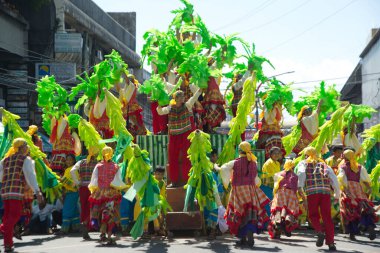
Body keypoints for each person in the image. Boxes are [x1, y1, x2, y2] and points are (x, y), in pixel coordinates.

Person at [220, 141, 270, 248]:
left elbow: (224, 169)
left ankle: (242, 238)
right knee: (250, 213)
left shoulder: (235, 162)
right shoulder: (254, 163)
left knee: (239, 212)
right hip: (250, 190)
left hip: (238, 190)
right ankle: (248, 236)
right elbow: (256, 179)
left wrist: (225, 179)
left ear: (239, 151)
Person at [0, 138, 42, 253]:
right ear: (22, 148)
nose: (27, 148)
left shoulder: (5, 160)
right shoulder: (26, 159)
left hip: (5, 191)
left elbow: (0, 176)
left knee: (7, 216)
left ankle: (7, 238)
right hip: (16, 191)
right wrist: (37, 191)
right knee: (15, 216)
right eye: (25, 146)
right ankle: (7, 242)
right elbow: (31, 176)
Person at [297, 147, 340, 251]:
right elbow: (334, 178)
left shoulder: (303, 163)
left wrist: (300, 186)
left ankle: (319, 231)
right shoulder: (323, 164)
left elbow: (301, 173)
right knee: (327, 217)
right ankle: (331, 243)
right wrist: (337, 194)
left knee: (312, 215)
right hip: (325, 192)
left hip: (312, 192)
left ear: (306, 155)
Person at [157, 88, 202, 186]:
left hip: (185, 134)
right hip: (173, 135)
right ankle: (173, 181)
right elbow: (160, 112)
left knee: (187, 157)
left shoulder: (187, 105)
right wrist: (159, 103)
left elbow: (194, 98)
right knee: (172, 158)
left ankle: (188, 180)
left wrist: (199, 90)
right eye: (180, 96)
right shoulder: (170, 108)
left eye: (183, 96)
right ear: (176, 98)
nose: (183, 98)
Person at [88, 146, 127, 244]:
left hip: (100, 193)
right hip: (111, 194)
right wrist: (120, 188)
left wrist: (94, 190)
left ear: (102, 154)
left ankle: (102, 234)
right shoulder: (116, 166)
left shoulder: (98, 166)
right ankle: (109, 235)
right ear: (112, 154)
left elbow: (94, 180)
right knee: (110, 213)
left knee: (100, 213)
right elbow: (118, 181)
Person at [338, 150, 378, 241]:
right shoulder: (360, 167)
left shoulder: (343, 167)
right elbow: (365, 179)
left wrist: (345, 191)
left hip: (349, 189)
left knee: (350, 210)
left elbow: (342, 180)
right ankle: (368, 226)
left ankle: (352, 233)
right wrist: (369, 188)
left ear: (345, 157)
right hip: (358, 190)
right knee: (363, 207)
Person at [268, 160, 300, 239]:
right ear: (293, 166)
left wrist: (274, 197)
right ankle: (287, 223)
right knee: (289, 210)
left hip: (280, 192)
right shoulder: (295, 176)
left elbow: (275, 187)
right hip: (291, 194)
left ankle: (278, 223)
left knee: (278, 210)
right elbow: (296, 188)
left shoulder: (278, 174)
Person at [71, 155, 98, 239]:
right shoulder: (96, 163)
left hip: (82, 187)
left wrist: (77, 182)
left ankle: (84, 222)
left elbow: (72, 171)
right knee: (92, 207)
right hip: (92, 188)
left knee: (84, 207)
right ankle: (86, 223)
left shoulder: (81, 162)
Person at [119, 74, 147, 139]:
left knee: (135, 121)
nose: (126, 81)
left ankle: (140, 132)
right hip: (128, 107)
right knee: (130, 123)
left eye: (129, 79)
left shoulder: (132, 85)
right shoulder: (127, 87)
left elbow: (127, 80)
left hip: (131, 107)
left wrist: (122, 71)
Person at [60, 154, 80, 234]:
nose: (68, 161)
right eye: (67, 160)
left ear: (74, 161)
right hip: (70, 193)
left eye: (70, 160)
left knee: (67, 210)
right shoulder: (67, 169)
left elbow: (74, 183)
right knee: (74, 211)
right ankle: (76, 227)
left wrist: (62, 179)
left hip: (72, 192)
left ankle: (64, 229)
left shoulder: (73, 169)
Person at [261, 147, 282, 216]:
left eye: (278, 153)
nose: (276, 155)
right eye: (274, 153)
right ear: (270, 154)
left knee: (274, 204)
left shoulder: (278, 163)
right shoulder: (268, 163)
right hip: (267, 186)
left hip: (274, 187)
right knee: (268, 204)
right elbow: (269, 176)